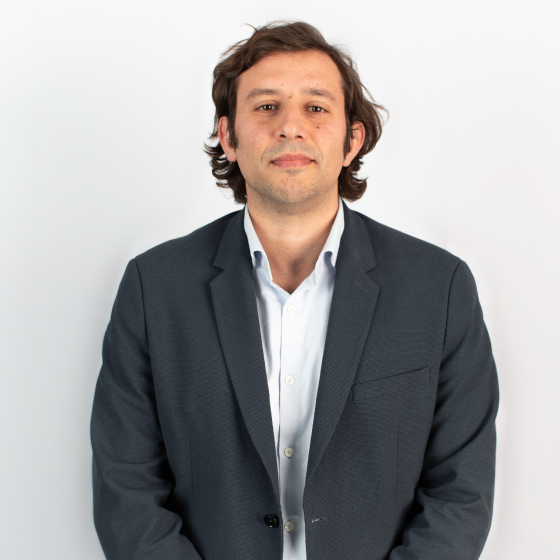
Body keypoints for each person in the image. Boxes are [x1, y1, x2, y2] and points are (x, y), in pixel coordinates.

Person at [90, 20, 499, 560]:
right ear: (229, 138)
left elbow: (461, 494)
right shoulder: (154, 289)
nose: (290, 126)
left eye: (316, 107)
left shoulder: (439, 289)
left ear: (352, 140)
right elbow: (126, 491)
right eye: (266, 106)